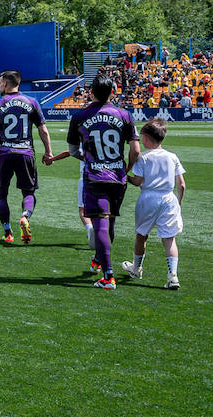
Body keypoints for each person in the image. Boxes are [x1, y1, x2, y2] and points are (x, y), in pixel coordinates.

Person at [46, 74, 138, 287]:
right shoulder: (124, 115)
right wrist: (127, 167)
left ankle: (108, 275)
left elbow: (72, 150)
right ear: (112, 92)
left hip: (94, 176)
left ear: (91, 92)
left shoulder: (79, 116)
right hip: (118, 177)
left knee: (100, 224)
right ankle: (99, 258)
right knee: (110, 220)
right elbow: (135, 150)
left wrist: (89, 158)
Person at [0, 70, 53, 245]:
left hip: (4, 153)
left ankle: (8, 232)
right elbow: (43, 129)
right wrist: (48, 152)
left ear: (6, 84)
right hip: (25, 152)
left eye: (0, 83)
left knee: (1, 194)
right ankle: (25, 216)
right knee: (28, 192)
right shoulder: (32, 102)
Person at [122, 120, 185, 290]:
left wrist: (124, 176)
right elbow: (182, 185)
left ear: (147, 138)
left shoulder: (144, 158)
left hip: (149, 198)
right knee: (169, 239)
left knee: (141, 235)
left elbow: (137, 181)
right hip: (168, 198)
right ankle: (173, 276)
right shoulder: (173, 157)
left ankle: (136, 269)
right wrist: (177, 203)